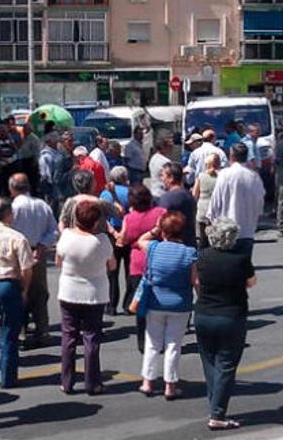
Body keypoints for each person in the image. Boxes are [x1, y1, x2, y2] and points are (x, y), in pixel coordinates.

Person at [194, 217, 256, 431]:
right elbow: (251, 282)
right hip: (231, 315)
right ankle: (217, 413)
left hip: (204, 314)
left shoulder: (202, 257)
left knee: (209, 360)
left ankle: (215, 402)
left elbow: (197, 281)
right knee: (227, 364)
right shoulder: (240, 259)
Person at [135, 211, 197, 400]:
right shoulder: (190, 253)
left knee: (152, 342)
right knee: (173, 344)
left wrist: (155, 229)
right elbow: (195, 281)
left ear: (164, 231)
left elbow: (140, 240)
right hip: (179, 303)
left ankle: (147, 381)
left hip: (155, 301)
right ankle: (170, 385)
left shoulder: (153, 248)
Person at [56, 201, 116, 395]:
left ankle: (67, 381)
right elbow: (112, 265)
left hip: (69, 291)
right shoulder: (102, 241)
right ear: (96, 221)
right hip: (94, 294)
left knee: (69, 337)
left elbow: (58, 261)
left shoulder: (66, 237)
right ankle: (93, 382)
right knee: (91, 338)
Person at [0, 197, 34, 388]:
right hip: (8, 283)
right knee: (9, 332)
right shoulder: (17, 237)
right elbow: (27, 268)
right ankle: (8, 378)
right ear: (9, 214)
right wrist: (25, 289)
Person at [10, 173, 59, 349]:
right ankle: (42, 330)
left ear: (12, 188)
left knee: (18, 293)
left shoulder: (13, 208)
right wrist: (42, 245)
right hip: (36, 252)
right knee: (39, 294)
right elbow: (54, 230)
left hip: (16, 255)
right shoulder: (41, 206)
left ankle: (21, 332)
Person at [118, 184, 167, 350]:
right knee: (159, 302)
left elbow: (123, 240)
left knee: (141, 305)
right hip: (158, 260)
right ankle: (159, 340)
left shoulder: (129, 218)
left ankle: (142, 342)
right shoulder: (160, 213)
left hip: (137, 264)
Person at [206, 143, 265, 256]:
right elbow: (260, 202)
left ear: (231, 156)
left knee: (227, 267)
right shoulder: (254, 176)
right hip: (247, 230)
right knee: (244, 268)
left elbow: (216, 200)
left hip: (226, 230)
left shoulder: (224, 174)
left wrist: (210, 218)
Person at [100, 166, 131, 315]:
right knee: (130, 270)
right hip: (129, 233)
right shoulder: (130, 192)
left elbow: (102, 217)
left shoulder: (105, 194)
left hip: (112, 233)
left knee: (112, 271)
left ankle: (111, 305)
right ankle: (129, 304)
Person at [58, 170, 120, 234]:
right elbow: (119, 212)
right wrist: (113, 193)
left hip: (76, 238)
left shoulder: (70, 202)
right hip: (97, 240)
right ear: (92, 184)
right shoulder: (100, 203)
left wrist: (65, 237)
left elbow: (62, 223)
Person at [158, 163, 197, 248]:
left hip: (172, 246)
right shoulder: (188, 195)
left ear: (171, 178)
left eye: (163, 175)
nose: (161, 178)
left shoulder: (167, 198)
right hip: (189, 243)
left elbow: (160, 222)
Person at [193, 154, 220, 248]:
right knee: (216, 239)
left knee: (203, 240)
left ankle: (202, 259)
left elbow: (195, 195)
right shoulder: (221, 176)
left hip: (203, 210)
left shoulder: (201, 176)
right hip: (216, 211)